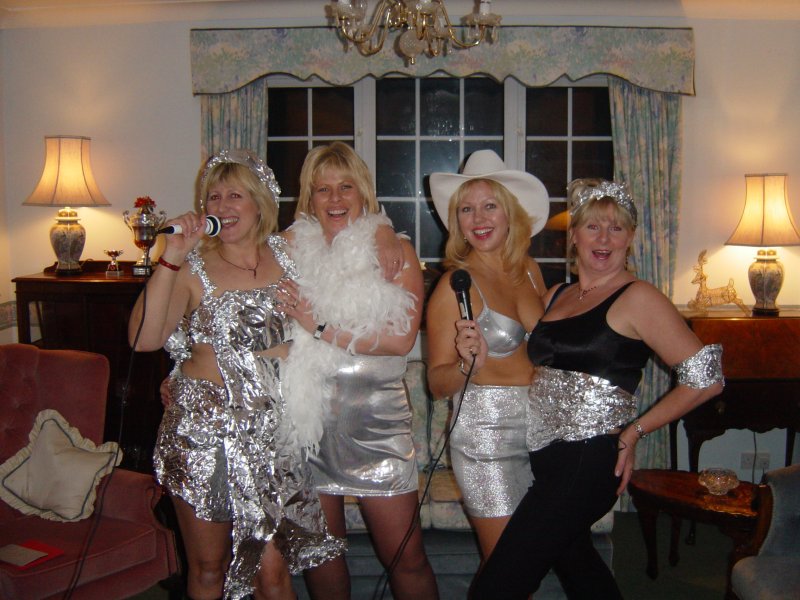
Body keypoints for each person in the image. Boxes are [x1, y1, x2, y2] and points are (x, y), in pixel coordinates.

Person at [469, 178, 725, 599]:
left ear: (630, 238)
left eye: (616, 228)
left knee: (499, 585)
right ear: (574, 236)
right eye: (593, 227)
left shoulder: (638, 297)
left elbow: (708, 378)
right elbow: (528, 363)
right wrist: (478, 353)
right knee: (581, 571)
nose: (604, 239)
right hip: (546, 457)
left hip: (587, 462)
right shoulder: (556, 295)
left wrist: (634, 431)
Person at [128, 149, 345, 600]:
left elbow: (348, 236)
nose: (223, 206)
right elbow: (143, 340)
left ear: (259, 203)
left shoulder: (290, 252)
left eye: (235, 195)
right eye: (214, 197)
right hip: (204, 435)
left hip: (273, 433)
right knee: (210, 569)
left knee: (273, 574)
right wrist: (171, 256)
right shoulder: (190, 270)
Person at [277, 142, 439, 600]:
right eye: (322, 189)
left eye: (345, 187)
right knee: (322, 556)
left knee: (405, 557)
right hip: (307, 430)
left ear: (363, 193)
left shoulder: (396, 251)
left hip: (377, 429)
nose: (334, 199)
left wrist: (320, 326)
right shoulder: (288, 250)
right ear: (309, 198)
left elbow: (400, 341)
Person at [425, 149, 549, 560]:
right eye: (466, 209)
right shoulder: (454, 287)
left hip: (542, 429)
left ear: (510, 213)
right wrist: (466, 366)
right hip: (486, 434)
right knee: (507, 565)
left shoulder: (529, 269)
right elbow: (436, 383)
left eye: (489, 206)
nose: (478, 219)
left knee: (531, 561)